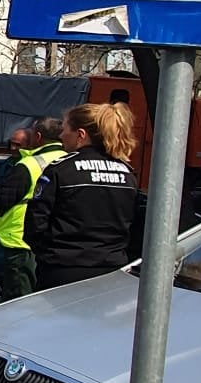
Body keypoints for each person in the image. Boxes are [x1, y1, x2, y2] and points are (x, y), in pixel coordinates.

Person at [25, 103, 139, 288]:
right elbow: (136, 224)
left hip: (62, 269)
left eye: (65, 129)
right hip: (112, 270)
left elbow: (35, 223)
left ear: (80, 135)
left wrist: (48, 254)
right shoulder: (127, 173)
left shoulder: (61, 169)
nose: (61, 136)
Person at [0, 117, 65, 299]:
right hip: (56, 244)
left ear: (37, 136)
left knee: (18, 298)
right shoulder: (70, 161)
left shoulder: (29, 164)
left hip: (19, 240)